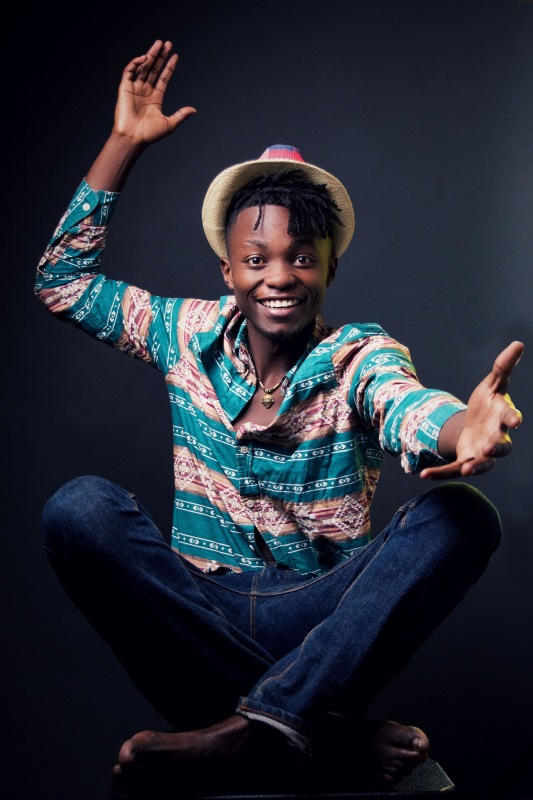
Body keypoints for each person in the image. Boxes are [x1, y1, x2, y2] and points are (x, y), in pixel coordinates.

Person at [35, 39, 524, 797]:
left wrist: (466, 427)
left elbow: (407, 405)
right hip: (197, 609)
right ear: (227, 269)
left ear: (330, 267)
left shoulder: (356, 356)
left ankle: (241, 735)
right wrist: (124, 143)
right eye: (257, 258)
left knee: (462, 516)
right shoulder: (184, 333)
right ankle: (324, 738)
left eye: (302, 257)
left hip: (318, 621)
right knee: (79, 510)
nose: (279, 277)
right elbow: (61, 282)